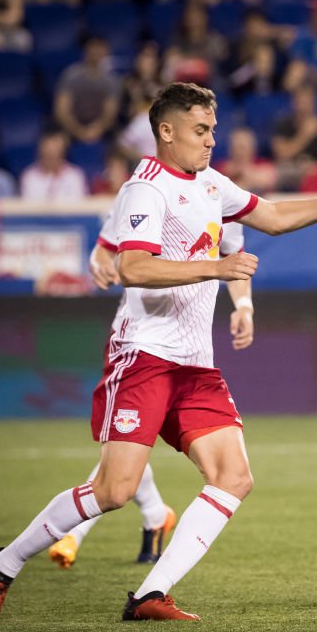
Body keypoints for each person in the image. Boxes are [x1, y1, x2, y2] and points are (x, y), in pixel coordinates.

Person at [0, 81, 317, 622]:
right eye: (200, 131)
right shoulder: (144, 189)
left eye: (213, 130)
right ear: (166, 132)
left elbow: (271, 216)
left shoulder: (209, 182)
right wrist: (217, 267)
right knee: (114, 490)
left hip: (195, 364)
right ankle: (1, 566)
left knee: (233, 476)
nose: (209, 141)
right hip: (144, 355)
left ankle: (150, 594)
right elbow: (134, 268)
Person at [48, 217, 255, 569]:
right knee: (124, 453)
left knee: (133, 452)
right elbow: (103, 252)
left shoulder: (220, 199)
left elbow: (237, 258)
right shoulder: (143, 194)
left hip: (189, 356)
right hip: (140, 344)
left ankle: (104, 530)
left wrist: (244, 307)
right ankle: (150, 516)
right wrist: (100, 267)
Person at [20, 130, 88, 201]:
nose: (51, 159)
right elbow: (28, 207)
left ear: (63, 153)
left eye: (55, 154)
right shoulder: (29, 176)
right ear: (40, 153)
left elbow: (79, 206)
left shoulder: (75, 175)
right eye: (48, 154)